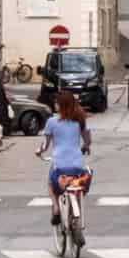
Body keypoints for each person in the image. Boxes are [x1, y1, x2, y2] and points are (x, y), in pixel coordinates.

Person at [35, 92, 92, 225]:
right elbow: (87, 140)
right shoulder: (80, 121)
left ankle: (55, 208)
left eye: (56, 102)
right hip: (77, 164)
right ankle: (76, 213)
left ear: (61, 105)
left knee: (51, 184)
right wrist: (85, 147)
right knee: (78, 185)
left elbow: (46, 144)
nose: (55, 104)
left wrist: (39, 151)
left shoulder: (51, 122)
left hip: (59, 164)